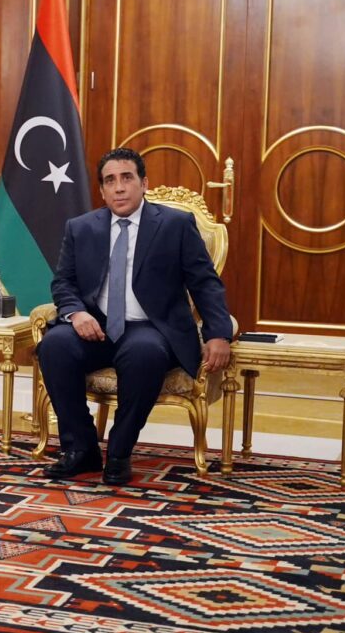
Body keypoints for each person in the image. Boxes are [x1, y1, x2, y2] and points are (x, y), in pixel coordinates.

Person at [36, 147, 231, 485]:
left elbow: (205, 282)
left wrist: (218, 333)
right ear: (102, 190)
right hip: (96, 326)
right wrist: (76, 313)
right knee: (54, 346)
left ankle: (119, 453)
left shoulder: (175, 225)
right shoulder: (81, 227)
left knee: (144, 353)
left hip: (150, 328)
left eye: (127, 178)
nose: (119, 188)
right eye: (110, 181)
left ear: (144, 183)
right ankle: (81, 448)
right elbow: (63, 282)